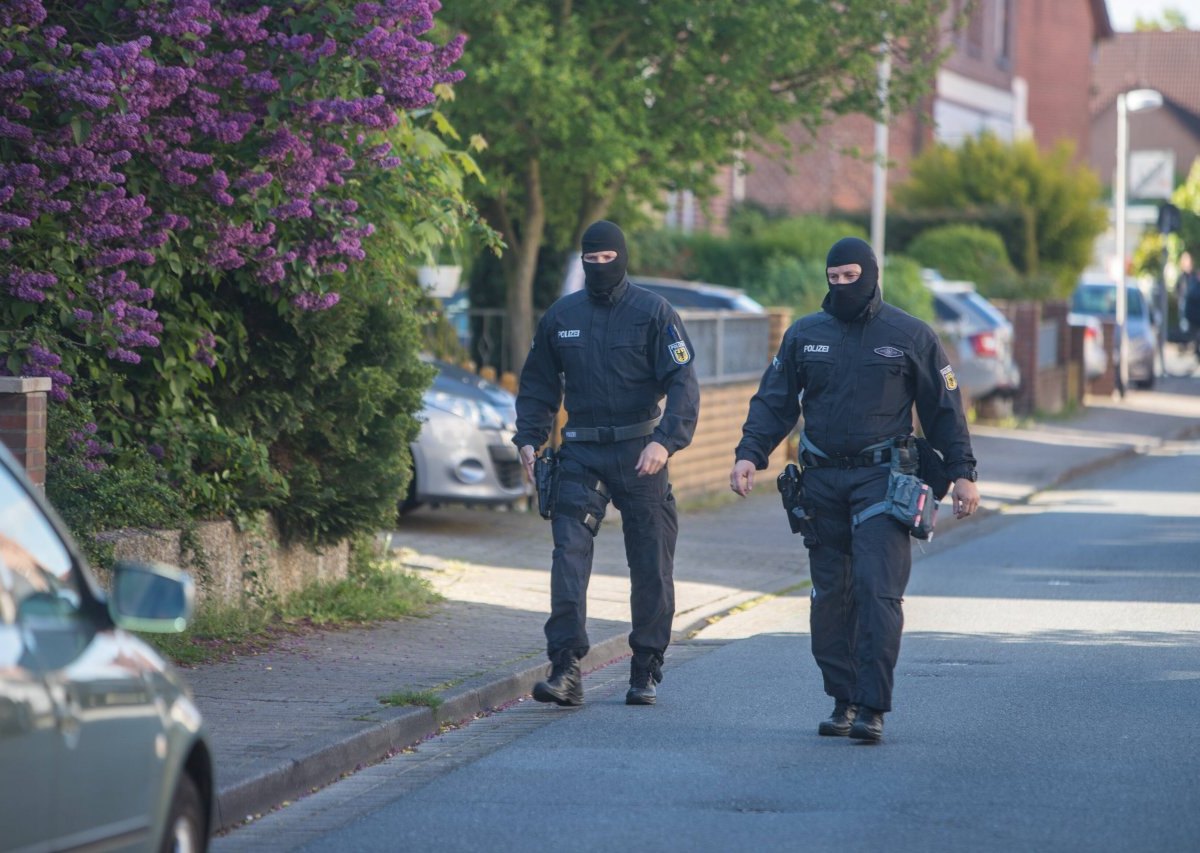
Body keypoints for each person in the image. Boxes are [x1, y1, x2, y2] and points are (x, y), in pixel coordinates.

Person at [728, 237, 979, 743]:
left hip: (883, 481)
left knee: (875, 589)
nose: (842, 286)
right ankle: (842, 700)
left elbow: (943, 409)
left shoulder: (909, 334)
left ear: (871, 274)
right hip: (820, 482)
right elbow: (774, 400)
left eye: (850, 277)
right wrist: (749, 453)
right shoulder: (805, 335)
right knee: (830, 598)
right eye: (833, 277)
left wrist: (963, 472)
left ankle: (871, 706)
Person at [514, 220, 700, 707]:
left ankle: (645, 667)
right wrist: (529, 439)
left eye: (607, 260)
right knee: (568, 556)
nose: (599, 268)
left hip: (642, 452)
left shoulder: (654, 313)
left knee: (651, 562)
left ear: (622, 258)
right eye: (590, 261)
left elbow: (683, 383)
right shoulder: (562, 316)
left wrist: (666, 442)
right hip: (581, 453)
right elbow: (537, 384)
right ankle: (566, 667)